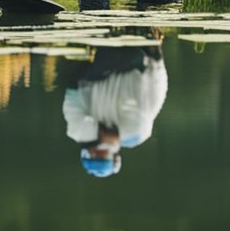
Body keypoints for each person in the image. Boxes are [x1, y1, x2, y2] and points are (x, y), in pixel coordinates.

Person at [61, 42, 168, 178]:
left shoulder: (80, 132)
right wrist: (156, 58)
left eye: (95, 153)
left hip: (109, 64)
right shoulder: (137, 131)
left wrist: (156, 59)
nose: (99, 150)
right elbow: (157, 90)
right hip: (131, 59)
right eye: (102, 154)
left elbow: (71, 94)